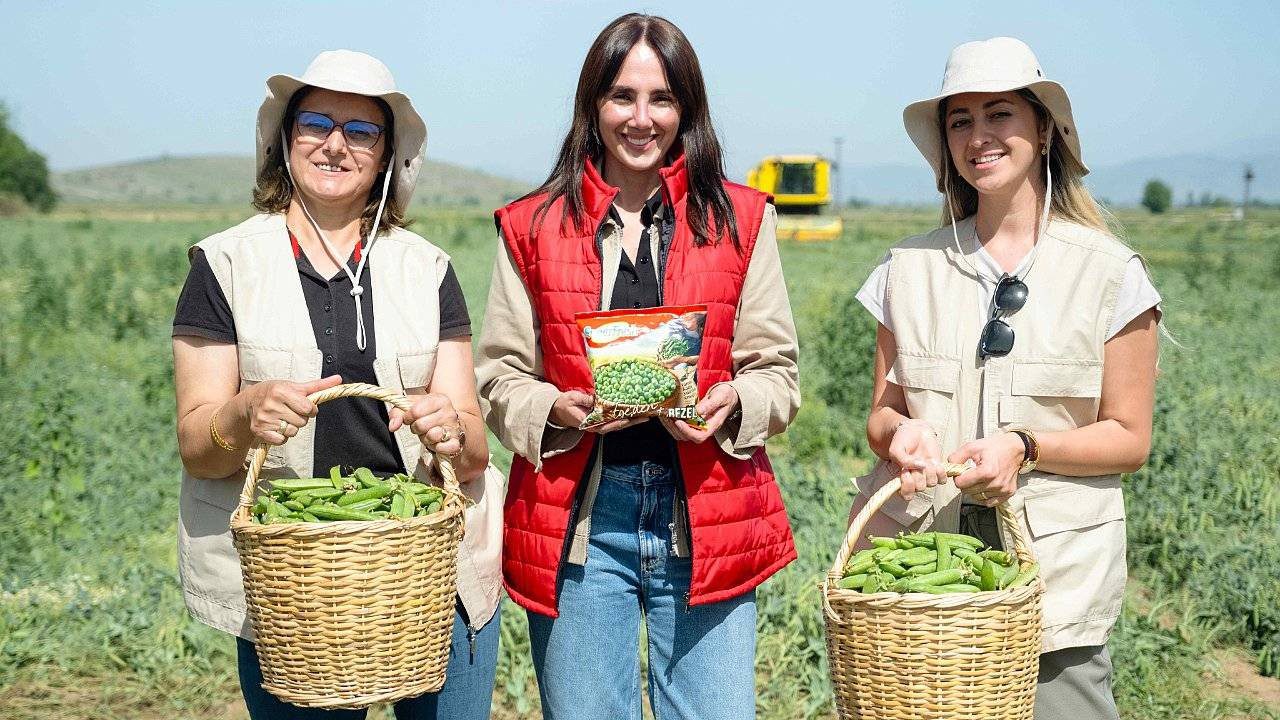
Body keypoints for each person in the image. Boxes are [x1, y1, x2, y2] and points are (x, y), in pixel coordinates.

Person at [476, 14, 800, 720]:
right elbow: (499, 375)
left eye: (662, 98)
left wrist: (731, 406)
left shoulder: (743, 218)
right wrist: (554, 411)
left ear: (688, 108)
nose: (642, 118)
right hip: (585, 525)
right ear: (593, 105)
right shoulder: (531, 225)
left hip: (706, 515)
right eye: (622, 96)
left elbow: (777, 370)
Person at [172, 50, 503, 720]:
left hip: (427, 568)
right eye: (316, 122)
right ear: (284, 140)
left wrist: (451, 428)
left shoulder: (426, 268)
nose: (334, 143)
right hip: (300, 583)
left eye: (361, 131)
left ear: (386, 157)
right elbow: (198, 448)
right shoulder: (227, 264)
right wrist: (240, 415)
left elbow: (472, 453)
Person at [850, 37, 1161, 719]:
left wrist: (1025, 444)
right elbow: (880, 416)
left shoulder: (1110, 274)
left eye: (999, 115)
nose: (979, 136)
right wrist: (901, 434)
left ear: (1044, 128)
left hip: (1056, 583)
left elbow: (1130, 438)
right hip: (923, 580)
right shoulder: (908, 268)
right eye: (960, 120)